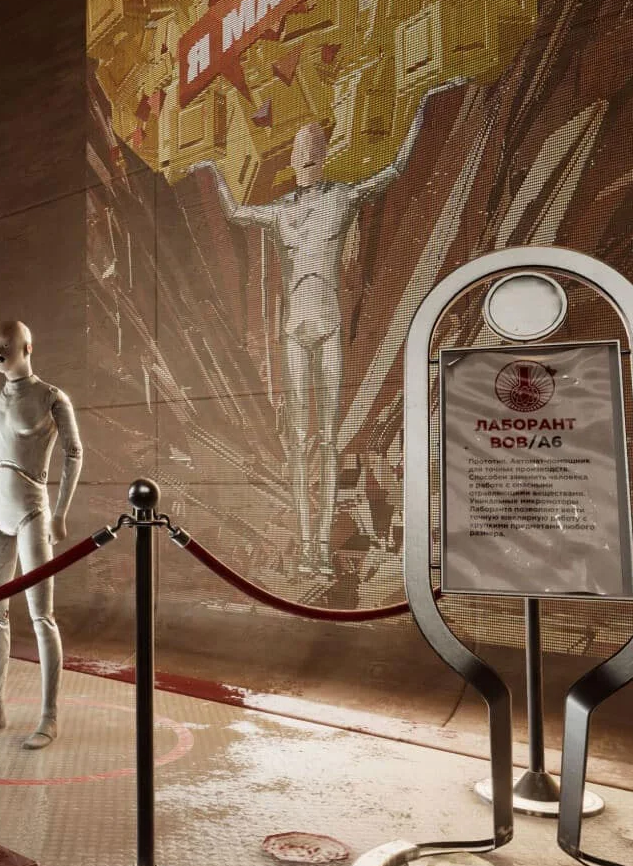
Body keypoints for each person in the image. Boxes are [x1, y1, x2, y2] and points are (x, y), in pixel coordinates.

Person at [188, 81, 456, 575]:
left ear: (324, 155)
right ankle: (309, 545)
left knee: (327, 439)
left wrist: (423, 102)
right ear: (294, 160)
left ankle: (320, 550)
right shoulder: (283, 212)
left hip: (326, 324)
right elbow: (235, 212)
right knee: (300, 439)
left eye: (313, 149)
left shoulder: (341, 198)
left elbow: (397, 169)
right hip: (297, 328)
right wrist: (212, 168)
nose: (307, 158)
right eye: (301, 151)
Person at [0, 321, 84, 750]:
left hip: (31, 513)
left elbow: (74, 452)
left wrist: (60, 513)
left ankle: (49, 717)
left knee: (42, 617)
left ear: (27, 347)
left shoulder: (51, 397)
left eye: (5, 344)